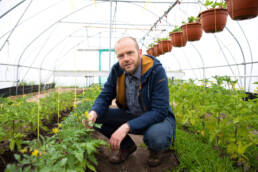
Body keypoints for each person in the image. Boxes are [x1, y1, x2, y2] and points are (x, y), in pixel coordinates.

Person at [83, 36, 176, 167]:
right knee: (97, 117)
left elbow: (159, 111)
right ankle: (127, 147)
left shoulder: (155, 70)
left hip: (156, 117)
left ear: (140, 52)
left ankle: (155, 151)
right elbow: (105, 95)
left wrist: (126, 126)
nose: (126, 59)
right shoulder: (117, 70)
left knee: (156, 137)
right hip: (132, 114)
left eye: (130, 53)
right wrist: (93, 112)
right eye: (121, 56)